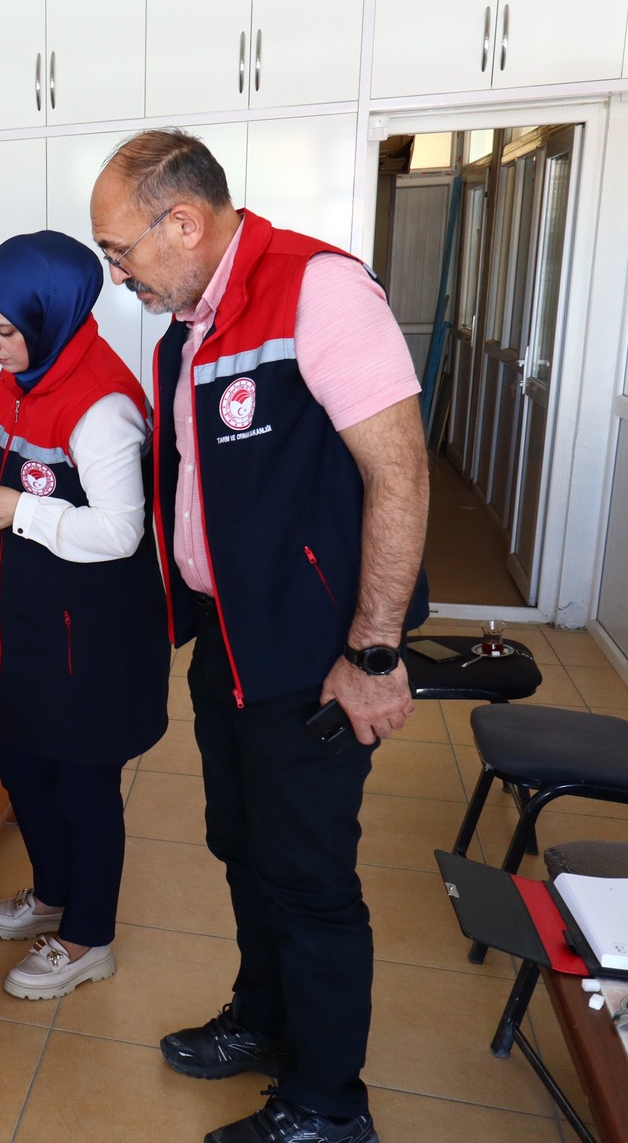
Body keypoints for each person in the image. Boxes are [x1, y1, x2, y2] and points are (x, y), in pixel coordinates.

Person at [90, 130, 428, 1143]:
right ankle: (267, 1019)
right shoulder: (185, 330)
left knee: (309, 877)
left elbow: (400, 473)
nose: (119, 276)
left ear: (182, 223)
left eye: (122, 252)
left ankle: (328, 1105)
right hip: (227, 646)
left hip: (311, 656)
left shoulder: (317, 291)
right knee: (242, 846)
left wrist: (372, 654)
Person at [0, 230, 167, 1002]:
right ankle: (51, 895)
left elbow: (120, 532)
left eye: (1, 331)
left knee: (82, 785)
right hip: (28, 623)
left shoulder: (101, 404)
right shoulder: (21, 378)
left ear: (50, 318)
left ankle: (87, 938)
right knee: (19, 763)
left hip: (91, 637)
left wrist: (20, 510)